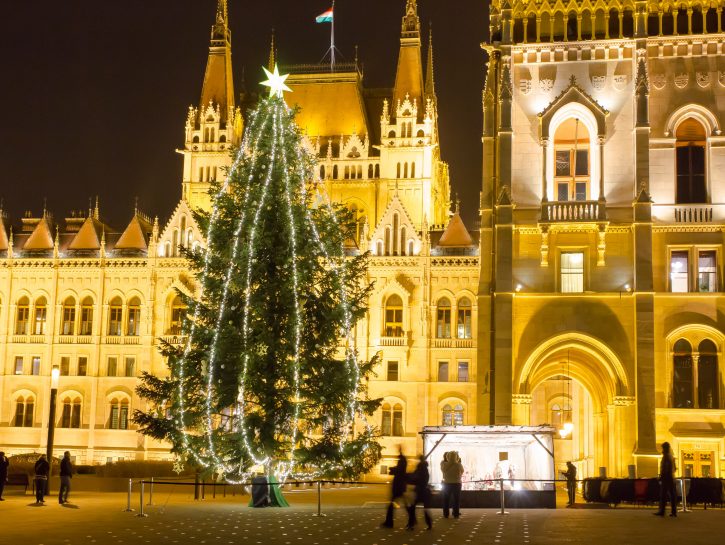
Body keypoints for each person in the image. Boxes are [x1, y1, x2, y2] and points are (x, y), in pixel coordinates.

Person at [381, 450, 407, 528]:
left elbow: (399, 471)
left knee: (392, 505)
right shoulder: (402, 463)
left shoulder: (402, 463)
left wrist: (392, 470)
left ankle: (389, 522)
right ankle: (389, 522)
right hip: (399, 487)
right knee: (406, 505)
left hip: (398, 487)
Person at [406, 456, 432, 530]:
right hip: (424, 491)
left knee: (412, 507)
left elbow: (415, 478)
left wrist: (408, 477)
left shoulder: (420, 468)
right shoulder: (425, 469)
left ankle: (411, 524)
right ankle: (429, 524)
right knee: (425, 509)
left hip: (419, 491)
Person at [654, 441, 677, 517]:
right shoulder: (671, 456)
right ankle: (673, 512)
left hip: (666, 478)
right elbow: (675, 468)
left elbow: (665, 468)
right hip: (671, 477)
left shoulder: (666, 456)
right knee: (672, 495)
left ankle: (662, 511)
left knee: (663, 495)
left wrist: (661, 477)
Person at [440, 451, 464, 518]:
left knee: (446, 499)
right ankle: (456, 514)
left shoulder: (443, 464)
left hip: (446, 484)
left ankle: (446, 514)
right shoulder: (458, 464)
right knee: (456, 500)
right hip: (457, 483)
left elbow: (443, 470)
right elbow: (462, 471)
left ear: (448, 456)